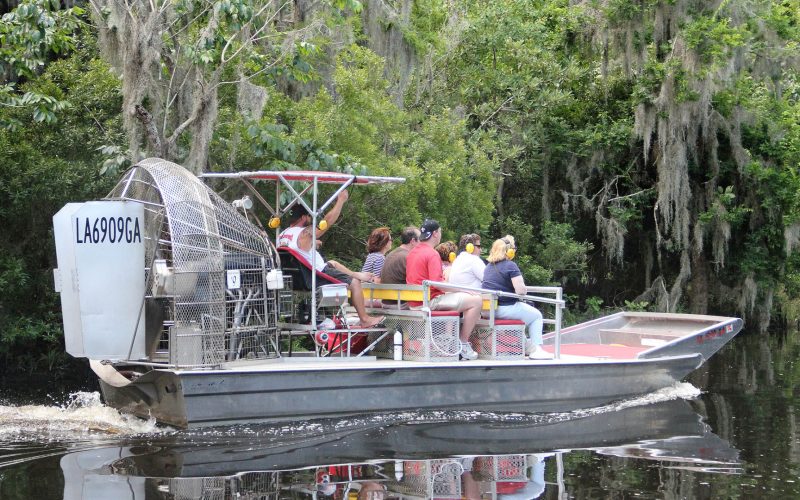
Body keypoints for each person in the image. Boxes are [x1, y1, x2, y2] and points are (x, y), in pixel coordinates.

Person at [277, 191, 383, 328]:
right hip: (314, 276)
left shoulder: (283, 234)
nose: (311, 220)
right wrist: (340, 201)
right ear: (304, 217)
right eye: (309, 216)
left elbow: (298, 251)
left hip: (296, 278)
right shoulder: (304, 234)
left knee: (333, 263)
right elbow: (326, 223)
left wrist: (314, 243)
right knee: (355, 283)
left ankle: (358, 275)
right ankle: (364, 319)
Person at [406, 219, 482, 360]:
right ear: (435, 233)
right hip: (429, 301)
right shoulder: (432, 253)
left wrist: (457, 291)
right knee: (476, 301)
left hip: (415, 301)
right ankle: (462, 344)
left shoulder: (412, 252)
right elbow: (437, 284)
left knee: (464, 297)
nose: (440, 234)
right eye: (440, 231)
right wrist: (461, 290)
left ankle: (448, 340)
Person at [482, 235, 553, 360]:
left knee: (526, 312)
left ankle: (528, 348)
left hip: (488, 310)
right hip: (505, 309)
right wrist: (523, 289)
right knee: (536, 316)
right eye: (514, 248)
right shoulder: (510, 265)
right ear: (509, 251)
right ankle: (537, 349)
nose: (515, 251)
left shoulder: (488, 267)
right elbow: (521, 291)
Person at [380, 227, 420, 308]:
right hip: (400, 304)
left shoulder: (391, 254)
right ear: (412, 241)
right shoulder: (408, 257)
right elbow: (418, 282)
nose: (422, 243)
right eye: (420, 240)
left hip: (386, 302)